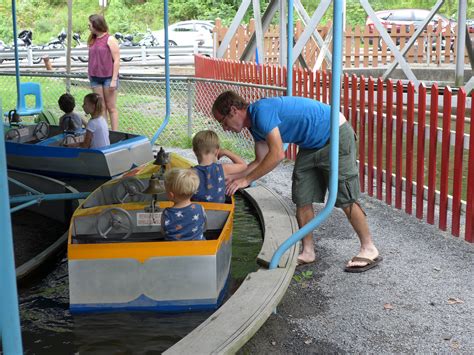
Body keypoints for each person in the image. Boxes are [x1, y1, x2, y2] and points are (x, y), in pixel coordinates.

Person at [211, 91, 381, 272]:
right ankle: (308, 251)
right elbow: (260, 160)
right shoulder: (254, 127)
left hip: (335, 135)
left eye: (222, 122)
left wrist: (246, 179)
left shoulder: (261, 111)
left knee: (344, 197)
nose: (224, 128)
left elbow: (276, 155)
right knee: (302, 196)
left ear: (233, 111)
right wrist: (235, 179)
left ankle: (369, 248)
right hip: (311, 145)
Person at [191, 130, 247, 203]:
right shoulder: (222, 169)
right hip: (220, 211)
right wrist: (226, 152)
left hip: (197, 211)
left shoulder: (190, 172)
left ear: (194, 151)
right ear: (217, 151)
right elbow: (244, 165)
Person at [87, 14, 120, 131]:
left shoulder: (110, 39)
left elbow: (116, 60)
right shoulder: (92, 39)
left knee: (111, 107)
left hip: (108, 77)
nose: (88, 27)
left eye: (90, 24)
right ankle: (105, 133)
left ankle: (115, 133)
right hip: (95, 78)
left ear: (96, 25)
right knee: (101, 108)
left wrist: (114, 80)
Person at [161, 168, 207, 241]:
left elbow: (164, 232)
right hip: (198, 249)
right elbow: (204, 228)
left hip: (174, 250)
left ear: (171, 195)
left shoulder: (167, 213)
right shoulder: (200, 208)